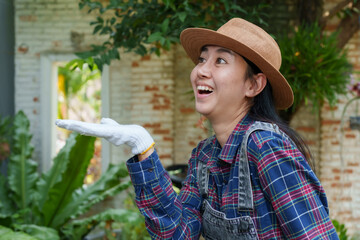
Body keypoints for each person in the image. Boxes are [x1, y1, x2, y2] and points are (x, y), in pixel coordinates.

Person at [56, 18, 339, 239]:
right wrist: (143, 147)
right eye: (202, 59)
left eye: (220, 60)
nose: (201, 70)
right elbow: (178, 233)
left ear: (253, 85)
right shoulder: (205, 156)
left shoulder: (267, 148)